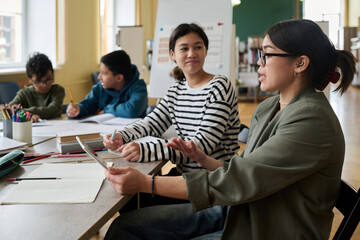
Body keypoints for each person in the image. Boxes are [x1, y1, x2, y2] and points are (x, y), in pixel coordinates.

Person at [103, 19, 356, 240]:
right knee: (125, 226)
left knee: (130, 226)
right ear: (173, 55)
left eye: (267, 55)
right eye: (261, 54)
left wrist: (147, 183)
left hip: (268, 228)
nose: (259, 63)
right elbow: (244, 169)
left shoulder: (312, 121)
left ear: (300, 63)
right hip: (242, 207)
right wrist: (202, 159)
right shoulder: (269, 107)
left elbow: (240, 179)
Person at [102, 23, 240, 176]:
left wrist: (146, 150)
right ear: (172, 55)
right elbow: (151, 123)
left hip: (216, 179)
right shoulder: (175, 91)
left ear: (206, 51)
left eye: (198, 47)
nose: (191, 53)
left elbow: (202, 145)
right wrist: (121, 136)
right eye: (184, 48)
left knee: (137, 191)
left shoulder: (220, 87)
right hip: (186, 176)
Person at [66, 50, 148, 119]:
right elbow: (88, 105)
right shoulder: (100, 87)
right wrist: (76, 109)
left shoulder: (139, 87)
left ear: (119, 78)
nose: (99, 77)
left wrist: (107, 110)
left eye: (104, 73)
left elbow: (132, 110)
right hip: (107, 134)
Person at [9, 53, 65, 122]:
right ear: (30, 79)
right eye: (38, 81)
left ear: (53, 74)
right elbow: (9, 110)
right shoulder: (24, 94)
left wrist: (26, 112)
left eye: (48, 79)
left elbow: (54, 109)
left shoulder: (57, 90)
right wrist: (24, 113)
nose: (44, 85)